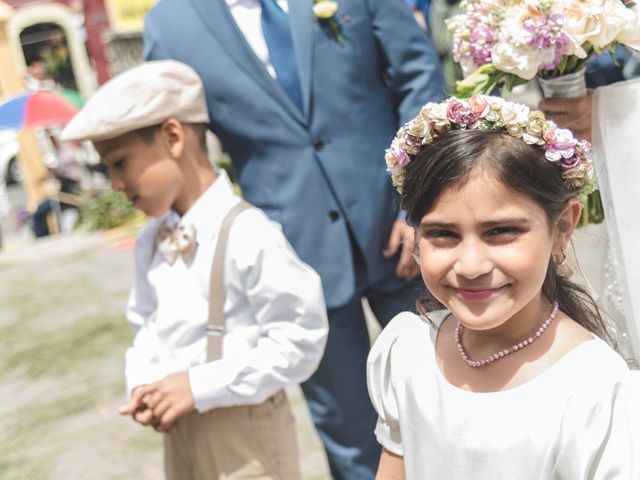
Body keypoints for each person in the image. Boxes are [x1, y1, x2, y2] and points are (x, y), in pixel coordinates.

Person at [143, 1, 446, 477]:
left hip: (402, 227)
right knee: (351, 439)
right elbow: (173, 147)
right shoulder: (170, 24)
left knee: (451, 395)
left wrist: (421, 202)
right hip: (293, 257)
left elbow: (418, 76)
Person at [61, 60, 329, 479]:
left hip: (244, 437)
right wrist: (145, 380)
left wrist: (199, 385)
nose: (114, 183)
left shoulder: (248, 232)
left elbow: (302, 338)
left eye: (120, 163)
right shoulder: (152, 240)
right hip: (180, 432)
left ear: (172, 136)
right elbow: (146, 322)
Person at [367, 95, 640, 478]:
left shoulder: (596, 391)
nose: (471, 266)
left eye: (501, 232)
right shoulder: (408, 349)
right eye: (442, 234)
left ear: (562, 227)